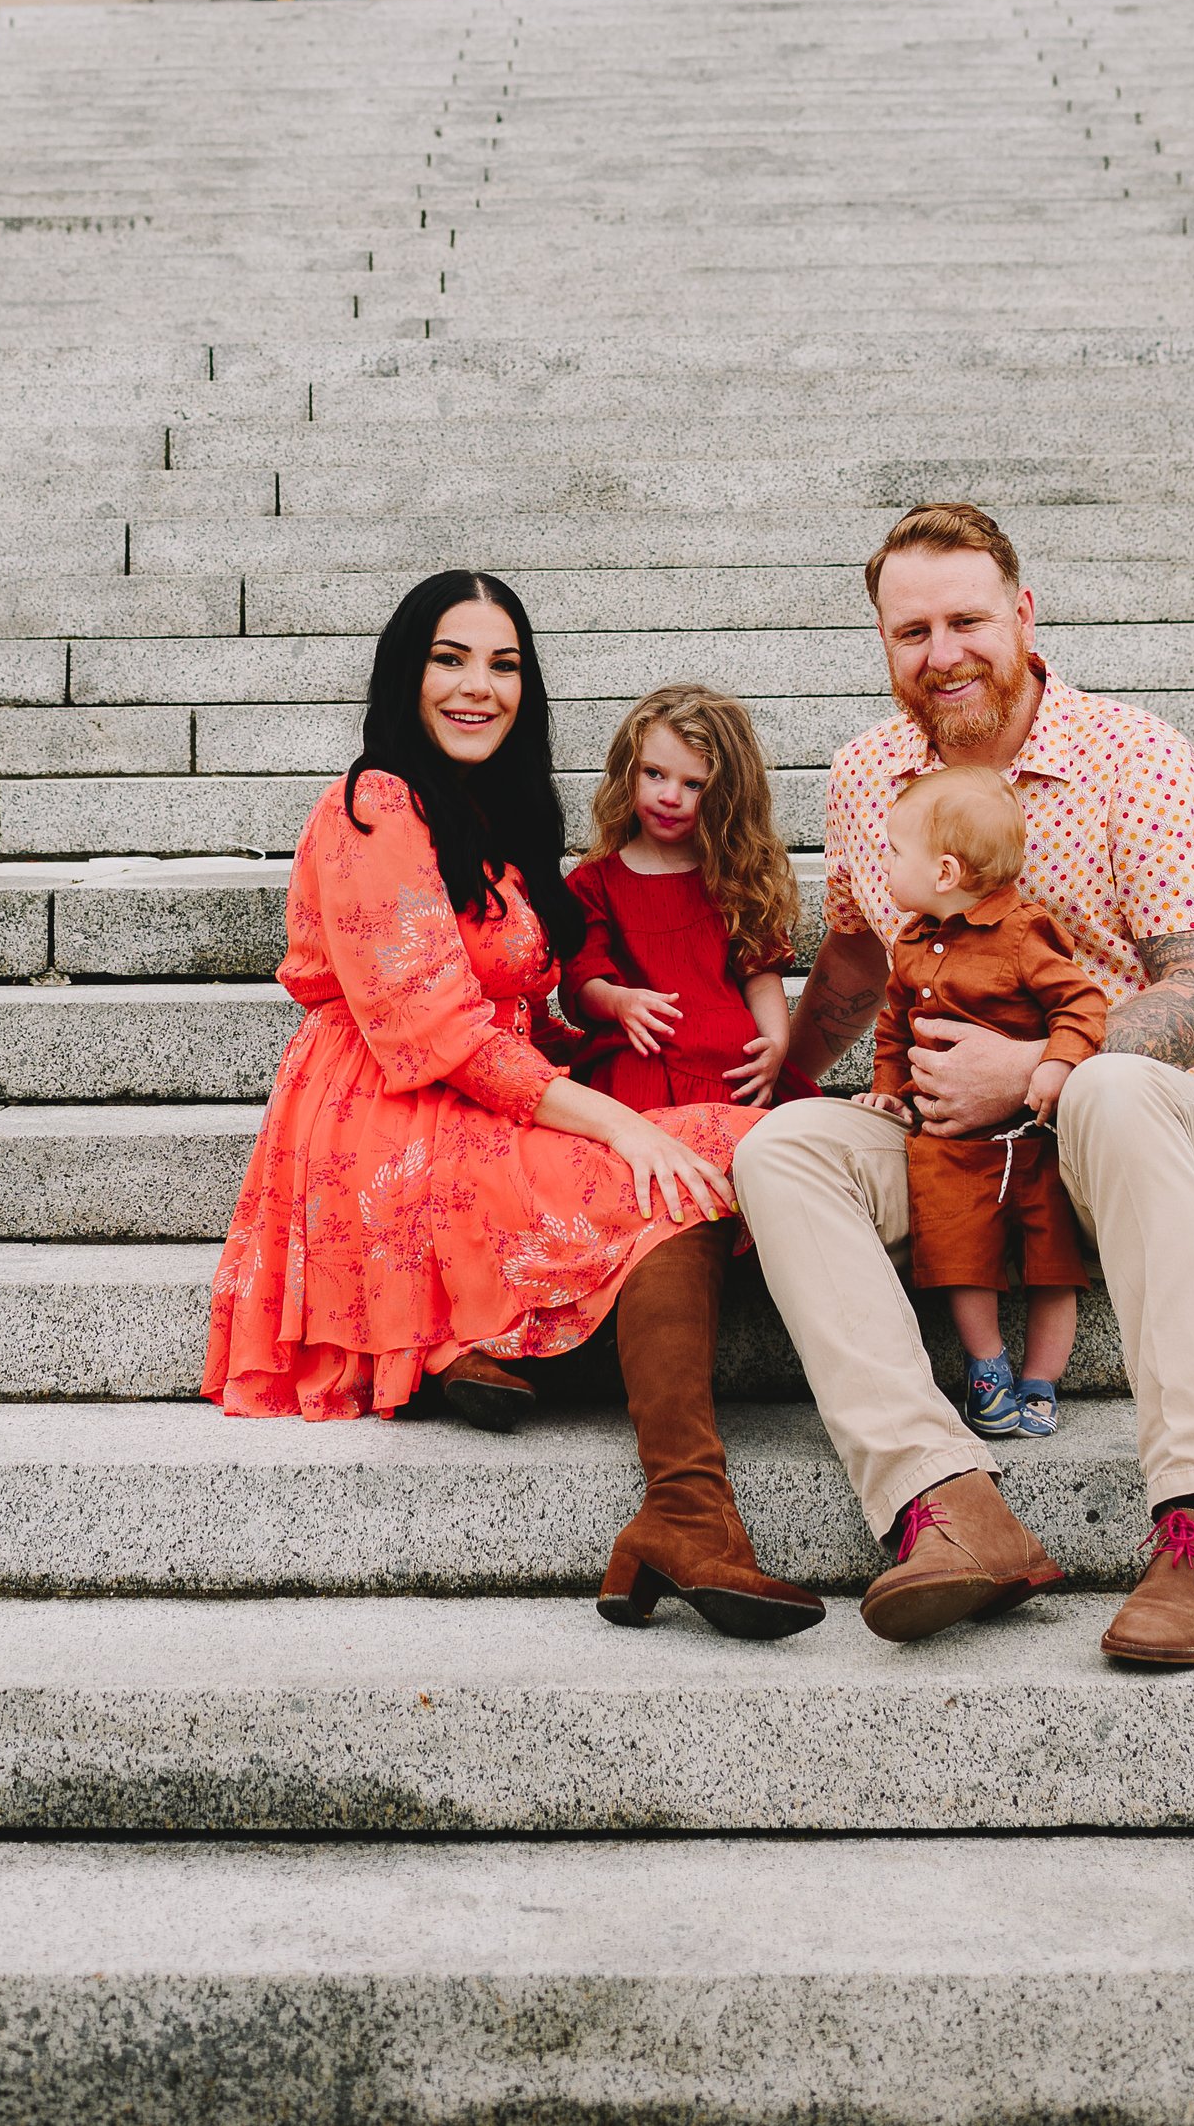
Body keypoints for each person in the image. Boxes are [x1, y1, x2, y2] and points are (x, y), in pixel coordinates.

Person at [203, 569, 823, 1640]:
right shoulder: (372, 805)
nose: (477, 686)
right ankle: (680, 1504)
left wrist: (595, 1059)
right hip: (382, 1117)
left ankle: (676, 1509)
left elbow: (526, 1012)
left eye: (503, 664)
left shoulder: (496, 818)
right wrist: (611, 1116)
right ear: (409, 670)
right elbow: (433, 1028)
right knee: (669, 1157)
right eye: (451, 658)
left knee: (701, 1155)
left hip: (478, 1097)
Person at [733, 499, 1194, 1670]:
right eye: (909, 630)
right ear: (882, 643)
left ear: (1023, 615)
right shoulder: (867, 775)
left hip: (1148, 1143)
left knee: (1110, 1090)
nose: (942, 653)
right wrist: (778, 1079)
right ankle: (949, 1507)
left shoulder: (1135, 756)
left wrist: (1039, 1069)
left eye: (966, 618)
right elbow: (856, 955)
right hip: (959, 1156)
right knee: (780, 1152)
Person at [849, 759, 1109, 1443]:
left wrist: (1057, 1061)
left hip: (1030, 1139)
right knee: (961, 1254)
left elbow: (1081, 1002)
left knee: (1052, 1266)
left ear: (944, 873)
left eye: (894, 852)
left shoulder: (1024, 934)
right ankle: (987, 1365)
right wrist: (888, 1088)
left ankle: (1043, 1379)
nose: (884, 863)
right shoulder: (909, 943)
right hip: (950, 1149)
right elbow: (892, 1023)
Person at [560, 685, 805, 1113]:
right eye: (653, 773)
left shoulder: (735, 877)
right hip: (641, 1067)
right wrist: (620, 1002)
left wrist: (776, 1044)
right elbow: (583, 981)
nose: (669, 797)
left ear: (726, 796)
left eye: (694, 784)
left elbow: (760, 974)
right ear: (627, 770)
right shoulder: (594, 883)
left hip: (731, 1073)